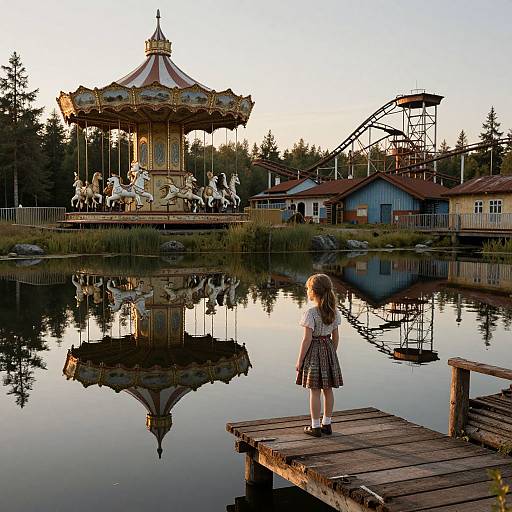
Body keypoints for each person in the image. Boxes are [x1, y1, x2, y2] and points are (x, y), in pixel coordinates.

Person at [296, 274, 342, 437]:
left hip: (314, 351)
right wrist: (331, 356)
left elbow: (307, 339)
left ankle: (315, 426)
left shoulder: (311, 314)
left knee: (314, 390)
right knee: (328, 389)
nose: (307, 290)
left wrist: (300, 360)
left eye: (308, 288)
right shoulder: (334, 312)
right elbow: (335, 337)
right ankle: (327, 424)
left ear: (313, 292)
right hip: (329, 349)